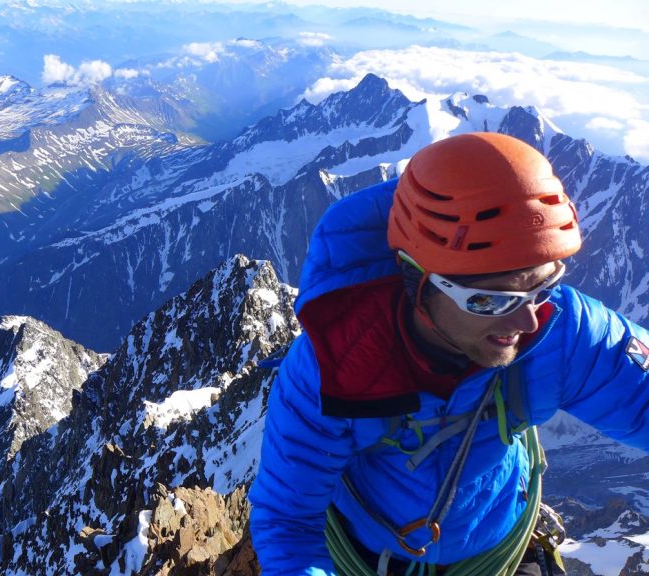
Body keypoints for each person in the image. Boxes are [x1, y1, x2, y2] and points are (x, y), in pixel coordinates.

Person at [248, 132, 649, 576]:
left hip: (494, 547)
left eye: (542, 285)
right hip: (369, 557)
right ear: (418, 282)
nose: (528, 322)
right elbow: (289, 522)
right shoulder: (335, 366)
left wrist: (516, 299)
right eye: (490, 300)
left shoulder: (561, 328)